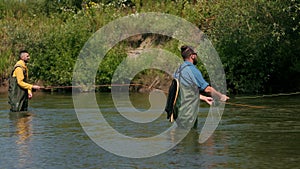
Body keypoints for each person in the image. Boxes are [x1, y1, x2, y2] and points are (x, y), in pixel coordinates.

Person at [173, 45, 229, 129]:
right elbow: (207, 89)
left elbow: (184, 92)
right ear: (192, 56)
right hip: (188, 113)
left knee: (182, 137)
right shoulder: (192, 70)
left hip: (178, 112)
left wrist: (204, 98)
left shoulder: (178, 70)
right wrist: (221, 97)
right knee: (190, 138)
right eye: (196, 54)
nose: (197, 57)